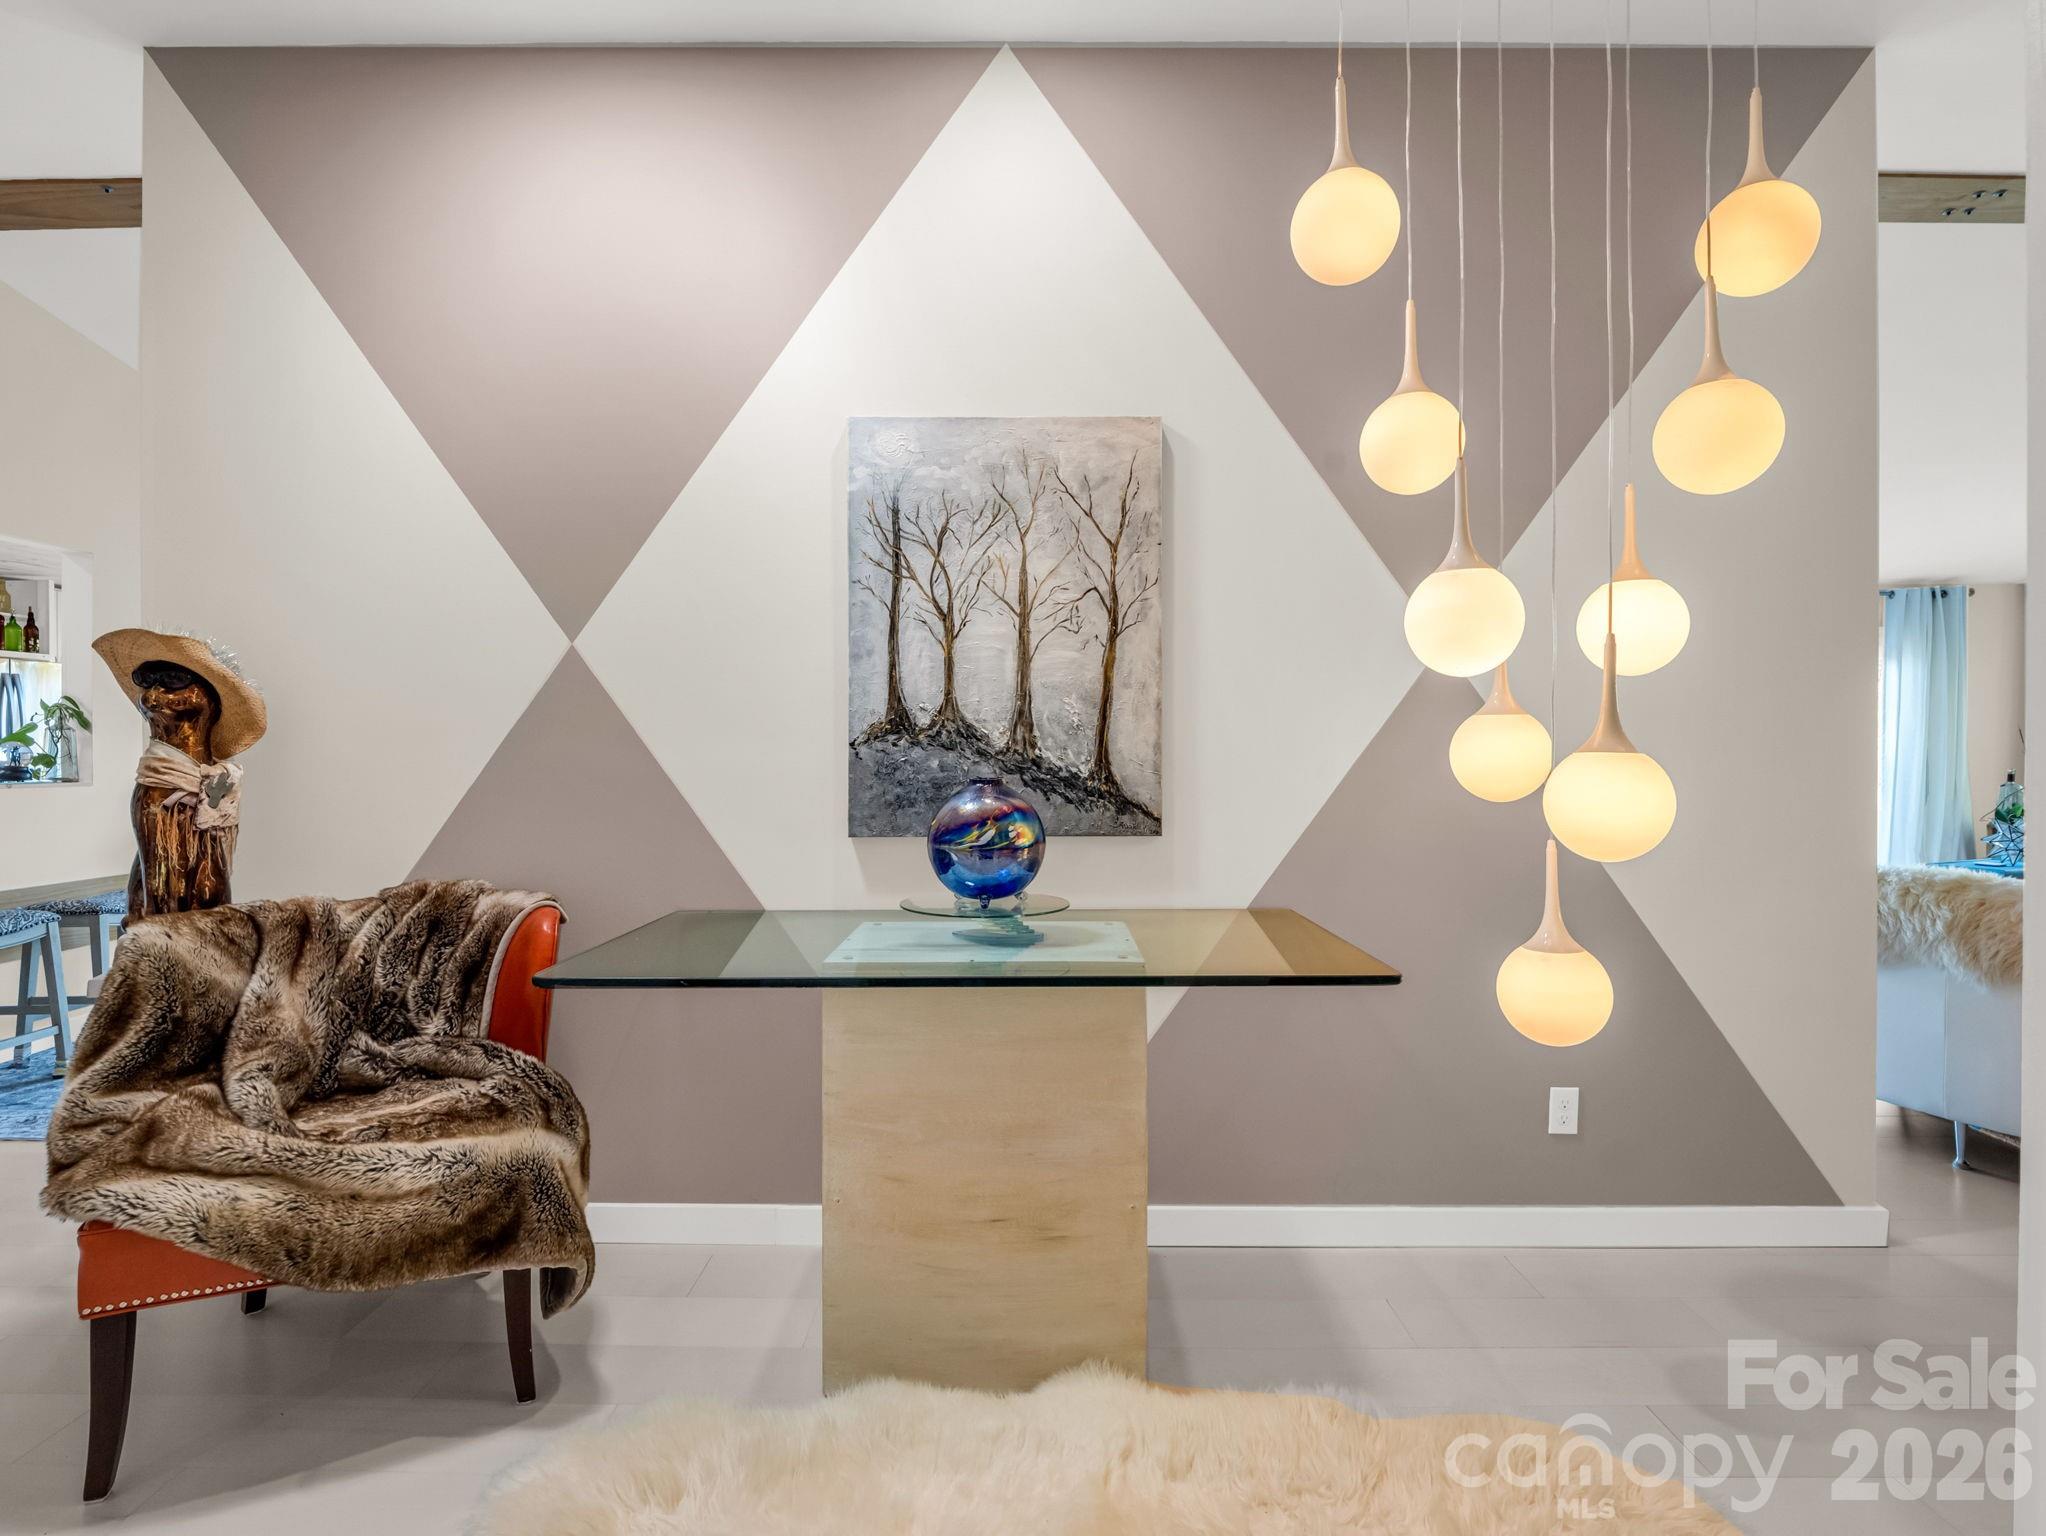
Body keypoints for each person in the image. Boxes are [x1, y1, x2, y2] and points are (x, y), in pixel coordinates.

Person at [91, 629, 267, 916]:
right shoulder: (158, 786)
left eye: (173, 680)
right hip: (168, 940)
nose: (153, 693)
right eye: (145, 681)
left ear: (211, 698)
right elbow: (161, 890)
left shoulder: (215, 777)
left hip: (207, 935)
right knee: (163, 878)